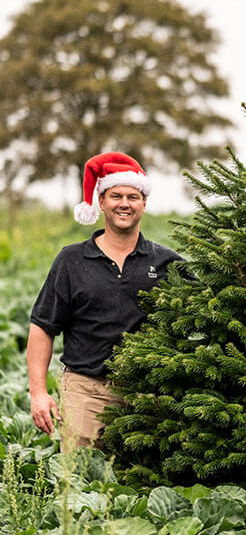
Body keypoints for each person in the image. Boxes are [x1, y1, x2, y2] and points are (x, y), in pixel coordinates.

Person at [27, 152, 184, 452]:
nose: (124, 203)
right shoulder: (71, 260)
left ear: (144, 203)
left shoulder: (166, 263)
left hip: (147, 396)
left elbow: (211, 301)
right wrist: (38, 393)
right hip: (85, 391)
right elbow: (42, 327)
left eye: (132, 196)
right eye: (116, 195)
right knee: (81, 484)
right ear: (101, 201)